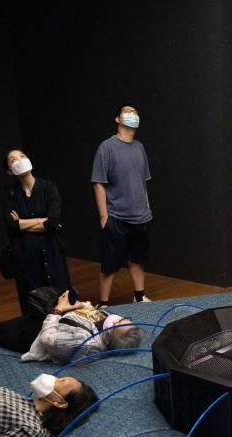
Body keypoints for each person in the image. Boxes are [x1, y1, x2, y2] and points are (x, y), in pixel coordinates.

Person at [91, 105, 153, 306]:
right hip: (117, 216)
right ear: (118, 118)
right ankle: (104, 304)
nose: (132, 114)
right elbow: (98, 182)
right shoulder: (106, 147)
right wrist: (104, 216)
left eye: (135, 112)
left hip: (141, 217)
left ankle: (139, 297)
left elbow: (143, 182)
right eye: (127, 111)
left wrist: (147, 208)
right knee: (109, 264)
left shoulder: (139, 147)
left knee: (137, 260)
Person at [0, 290, 142, 363]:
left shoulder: (84, 342)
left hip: (36, 333)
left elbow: (47, 339)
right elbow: (92, 312)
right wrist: (78, 304)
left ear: (109, 334)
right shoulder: (107, 324)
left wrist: (59, 309)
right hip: (56, 316)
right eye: (125, 318)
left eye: (119, 322)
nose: (119, 317)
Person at [2, 149, 72, 315]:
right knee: (32, 298)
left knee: (60, 293)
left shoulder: (48, 186)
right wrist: (42, 221)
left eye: (22, 156)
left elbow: (53, 222)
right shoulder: (10, 192)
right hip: (25, 252)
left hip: (52, 249)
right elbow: (11, 225)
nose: (19, 160)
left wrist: (22, 222)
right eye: (13, 160)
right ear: (9, 171)